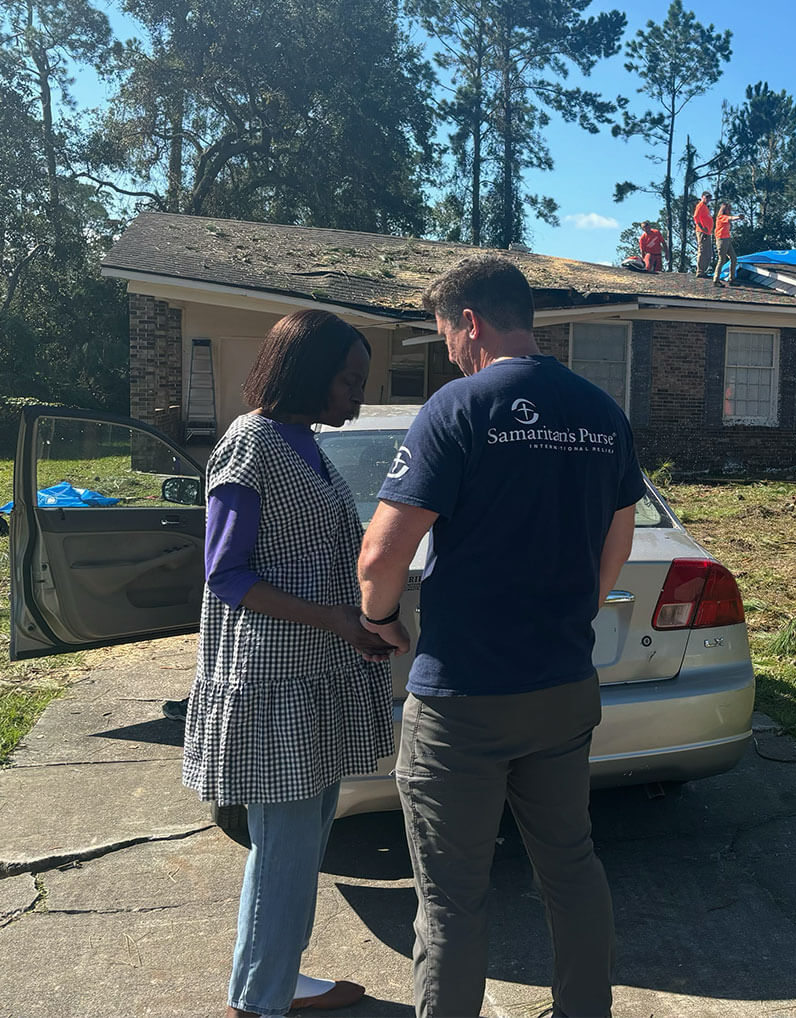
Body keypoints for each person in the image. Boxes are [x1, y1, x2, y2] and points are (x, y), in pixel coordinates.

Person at [356, 255, 641, 1018]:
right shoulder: (600, 411)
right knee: (571, 865)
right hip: (561, 686)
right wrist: (573, 610)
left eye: (445, 332)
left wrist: (380, 618)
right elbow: (618, 541)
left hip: (463, 698)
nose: (447, 349)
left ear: (471, 323)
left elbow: (381, 553)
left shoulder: (457, 407)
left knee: (451, 897)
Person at [182, 310, 396, 1018]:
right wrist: (337, 618)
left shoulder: (304, 443)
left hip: (319, 676)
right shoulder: (252, 444)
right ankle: (260, 1002)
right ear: (305, 371)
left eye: (359, 381)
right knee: (285, 848)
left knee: (300, 846)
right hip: (273, 684)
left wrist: (360, 623)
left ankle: (272, 979)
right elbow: (227, 574)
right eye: (345, 380)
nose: (354, 396)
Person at [712, 202, 743, 287]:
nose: (729, 210)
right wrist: (738, 217)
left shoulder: (725, 217)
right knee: (722, 260)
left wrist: (738, 218)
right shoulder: (721, 217)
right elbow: (730, 218)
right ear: (724, 209)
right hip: (721, 240)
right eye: (728, 209)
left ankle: (732, 279)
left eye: (730, 209)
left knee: (734, 258)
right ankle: (716, 280)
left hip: (727, 239)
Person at [692, 191, 715, 279]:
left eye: (709, 198)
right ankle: (700, 271)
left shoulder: (705, 207)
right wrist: (702, 228)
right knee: (703, 251)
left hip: (707, 232)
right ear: (702, 197)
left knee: (708, 252)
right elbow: (696, 217)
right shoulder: (700, 205)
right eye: (706, 197)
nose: (708, 199)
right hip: (702, 232)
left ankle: (703, 270)